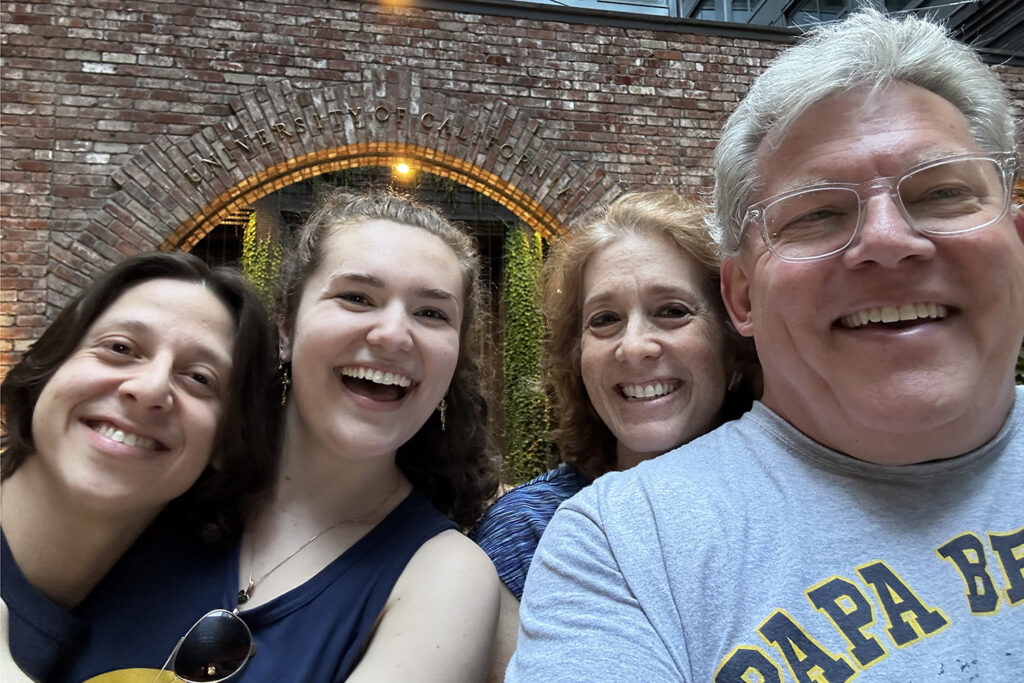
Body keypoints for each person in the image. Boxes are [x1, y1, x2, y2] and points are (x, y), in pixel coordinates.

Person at [508, 8, 1024, 681]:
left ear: (1016, 240)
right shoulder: (622, 549)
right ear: (743, 296)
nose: (890, 242)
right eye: (818, 212)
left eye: (942, 193)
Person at [67, 189, 503, 681]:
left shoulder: (445, 577)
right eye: (357, 297)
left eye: (432, 313)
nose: (392, 335)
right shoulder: (159, 479)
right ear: (286, 328)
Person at [471, 191, 757, 680]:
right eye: (604, 320)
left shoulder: (798, 499)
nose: (634, 347)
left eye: (672, 311)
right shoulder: (529, 530)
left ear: (734, 347)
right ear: (578, 359)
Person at [0, 252, 280, 681]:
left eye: (199, 378)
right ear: (50, 368)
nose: (150, 389)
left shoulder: (178, 616)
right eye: (120, 348)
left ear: (225, 444)